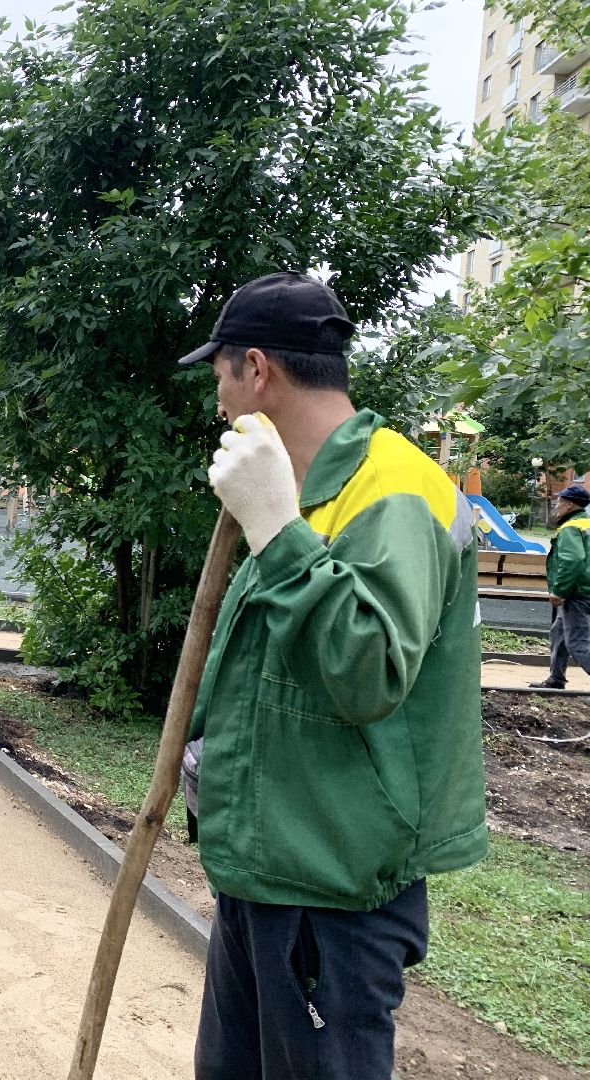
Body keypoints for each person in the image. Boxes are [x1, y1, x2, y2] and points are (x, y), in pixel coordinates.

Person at [176, 272, 487, 1080]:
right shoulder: (305, 491)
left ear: (256, 369)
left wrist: (277, 532)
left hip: (332, 890)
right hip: (270, 866)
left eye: (219, 378)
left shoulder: (395, 491)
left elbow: (368, 671)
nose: (218, 402)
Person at [529, 482, 590, 690]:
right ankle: (556, 679)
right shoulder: (586, 524)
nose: (557, 505)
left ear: (570, 504)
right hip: (584, 588)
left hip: (577, 592)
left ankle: (556, 679)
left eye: (560, 501)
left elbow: (573, 560)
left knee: (577, 642)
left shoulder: (570, 528)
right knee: (559, 634)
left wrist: (560, 590)